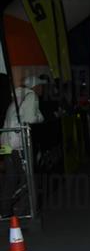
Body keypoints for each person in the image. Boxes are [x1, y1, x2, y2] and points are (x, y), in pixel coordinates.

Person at [0, 76, 47, 217]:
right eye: (40, 85)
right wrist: (40, 118)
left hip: (5, 144)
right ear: (34, 86)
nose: (42, 88)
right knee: (27, 179)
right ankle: (21, 210)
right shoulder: (31, 96)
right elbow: (31, 119)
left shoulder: (17, 97)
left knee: (11, 178)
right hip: (18, 144)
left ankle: (5, 210)